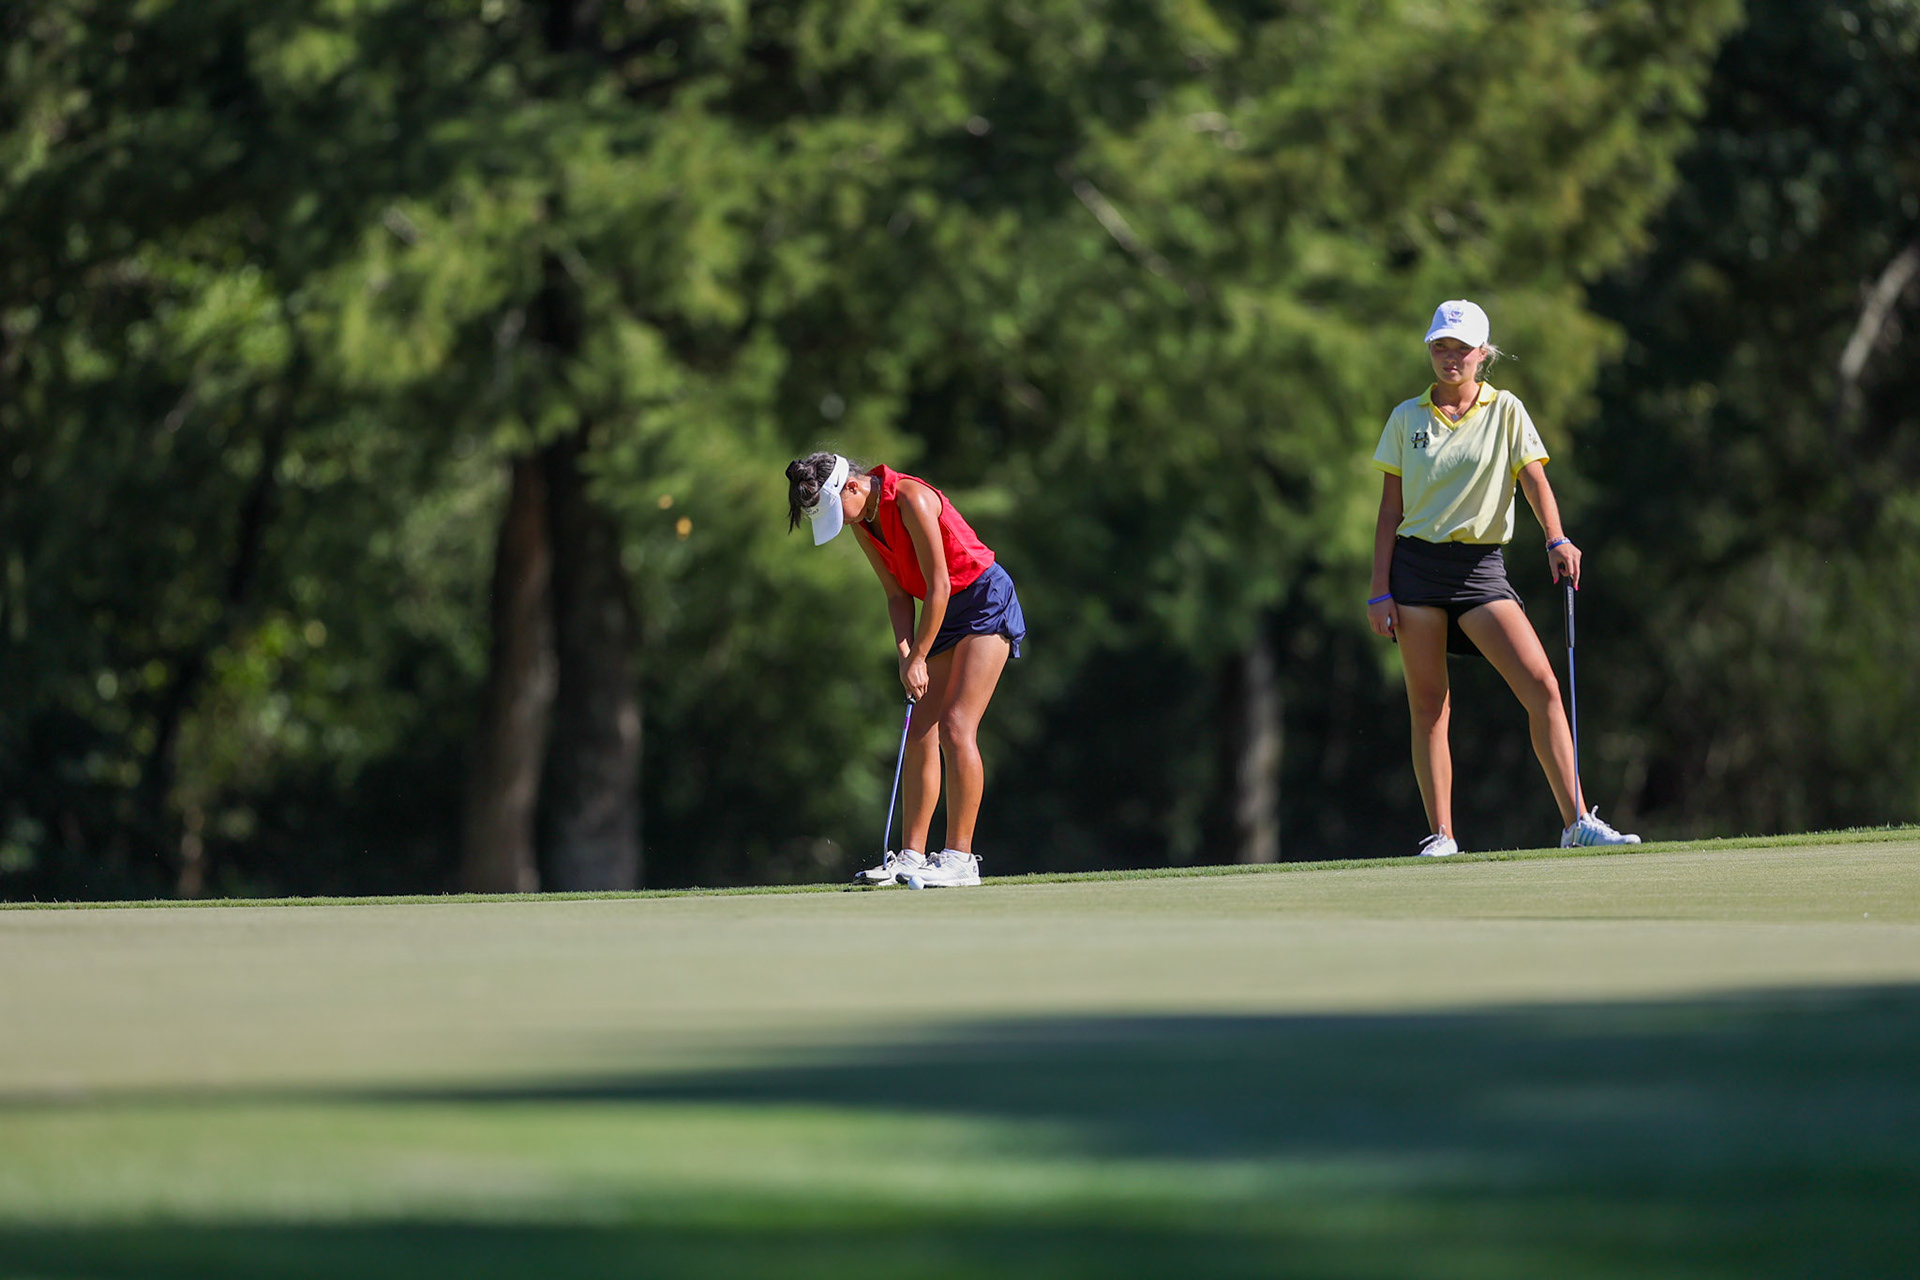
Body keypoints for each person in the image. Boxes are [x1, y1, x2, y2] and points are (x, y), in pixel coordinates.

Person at [1368, 300, 1639, 857]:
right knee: (1430, 706)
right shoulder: (1406, 418)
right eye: (1441, 347)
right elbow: (1389, 511)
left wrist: (1556, 537)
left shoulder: (1507, 409)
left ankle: (1576, 822)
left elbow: (1534, 481)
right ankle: (1441, 835)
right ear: (1430, 349)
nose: (1450, 358)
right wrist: (1380, 589)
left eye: (1462, 349)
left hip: (1480, 570)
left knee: (1542, 686)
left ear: (1483, 354)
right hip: (1416, 570)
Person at [787, 452, 1026, 887]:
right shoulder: (863, 522)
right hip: (945, 614)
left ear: (854, 487)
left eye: (838, 510)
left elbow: (938, 586)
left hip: (982, 598)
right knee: (920, 732)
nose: (841, 522)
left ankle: (960, 859)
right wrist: (904, 656)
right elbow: (898, 596)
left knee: (956, 727)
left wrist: (919, 655)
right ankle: (912, 858)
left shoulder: (911, 499)